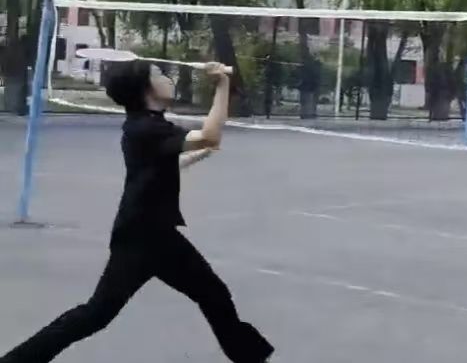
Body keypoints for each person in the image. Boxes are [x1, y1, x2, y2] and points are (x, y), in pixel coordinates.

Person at [0, 61, 274, 363]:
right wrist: (222, 86)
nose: (167, 78)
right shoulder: (145, 128)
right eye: (158, 74)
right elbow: (209, 135)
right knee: (97, 313)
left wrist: (199, 154)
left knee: (212, 293)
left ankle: (250, 356)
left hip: (157, 235)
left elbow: (159, 164)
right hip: (141, 238)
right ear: (146, 89)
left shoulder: (145, 124)